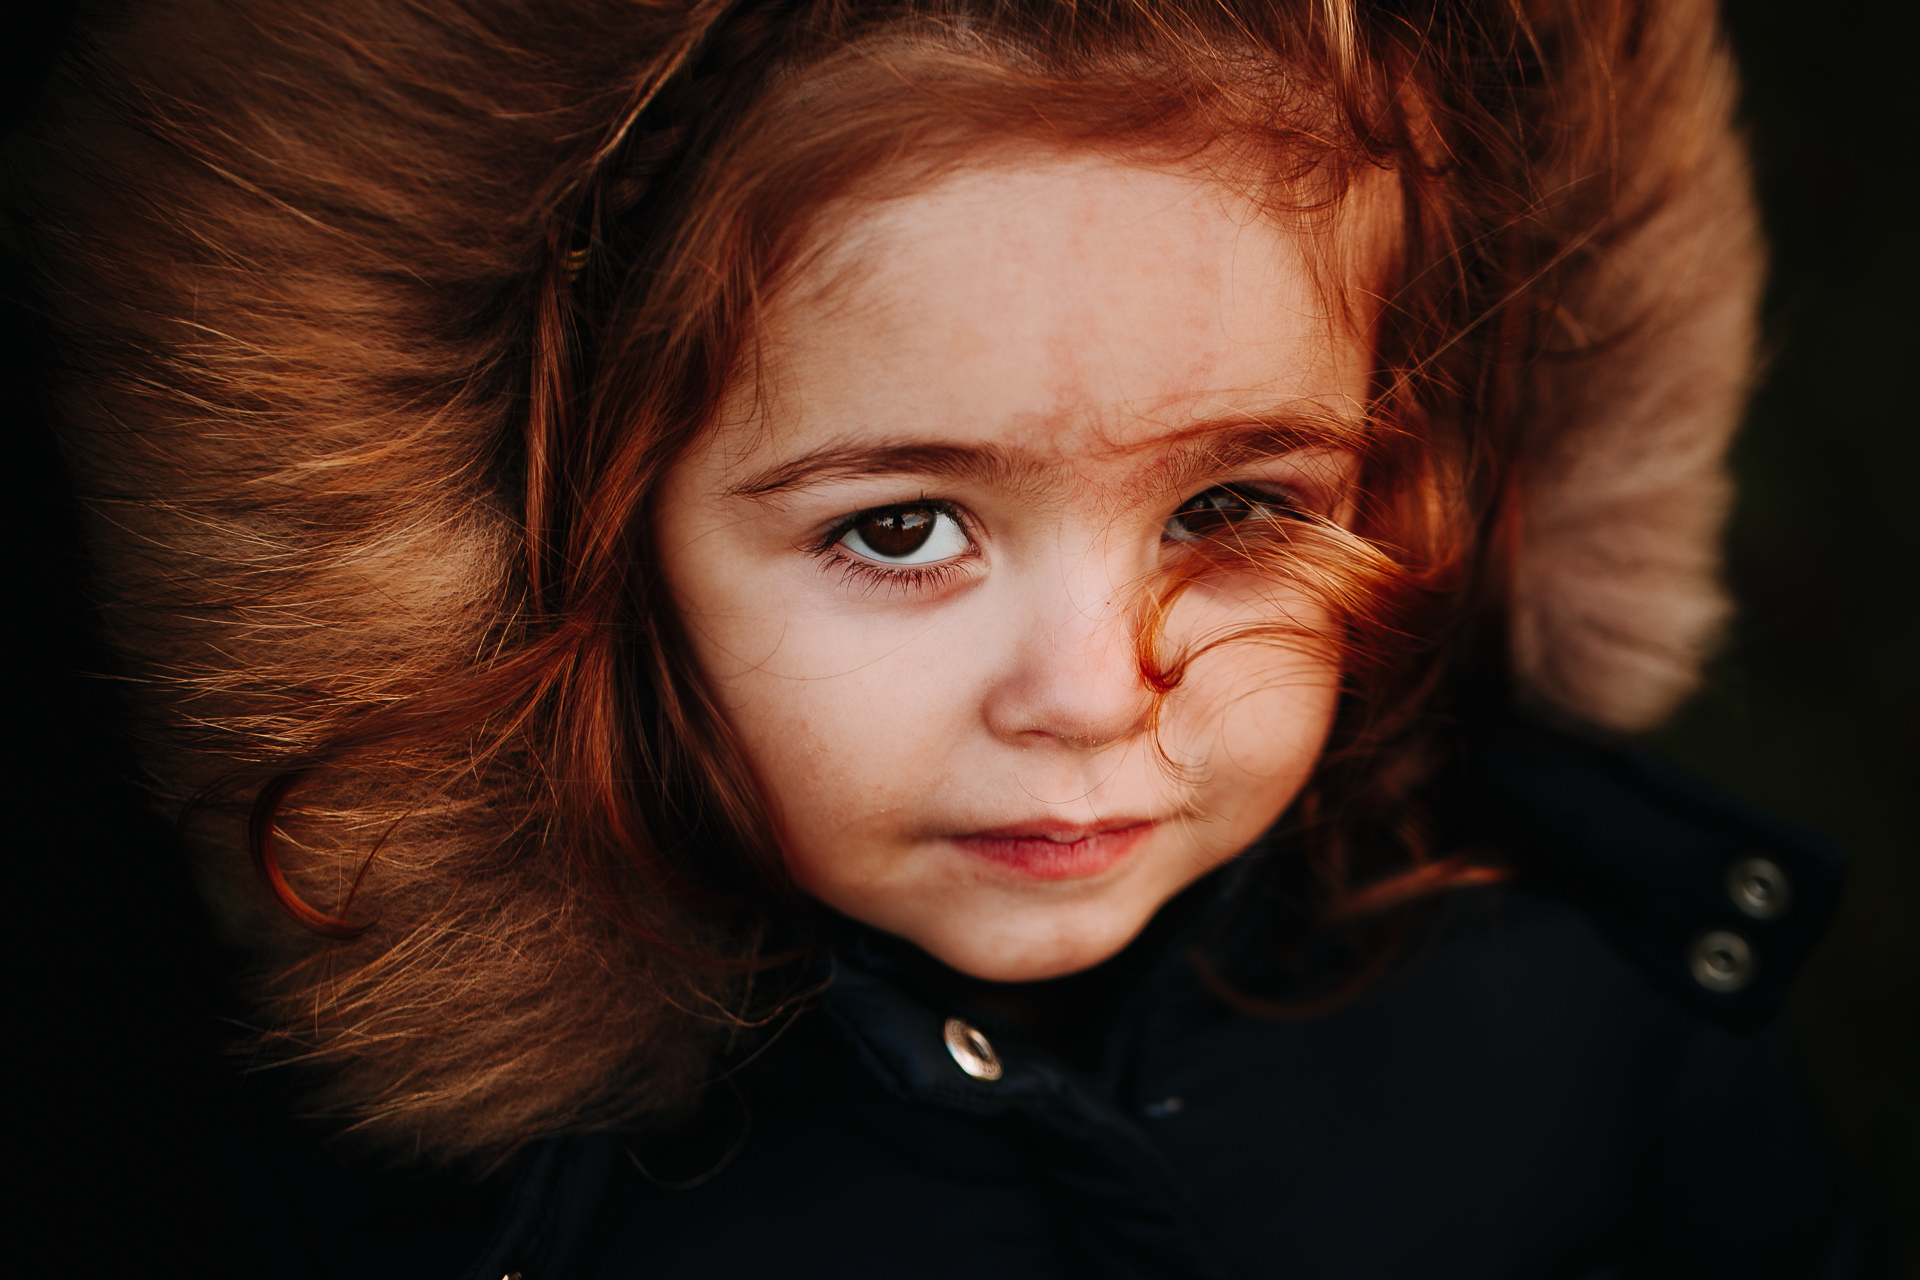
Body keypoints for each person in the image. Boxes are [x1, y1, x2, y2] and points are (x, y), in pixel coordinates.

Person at [18, 0, 1861, 1274]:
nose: (1087, 696)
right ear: (568, 541)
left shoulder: (1593, 990)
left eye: (1233, 508)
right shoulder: (405, 1211)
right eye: (901, 528)